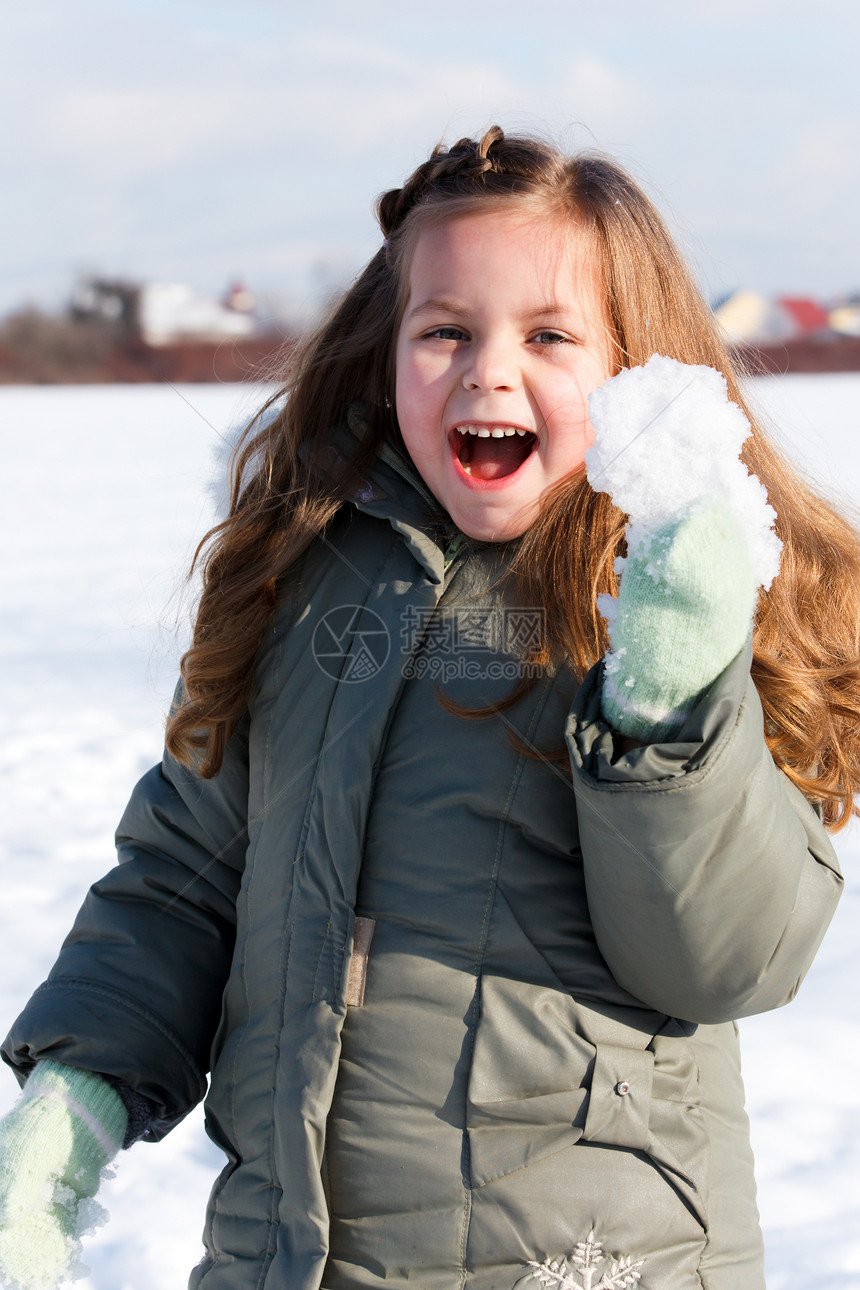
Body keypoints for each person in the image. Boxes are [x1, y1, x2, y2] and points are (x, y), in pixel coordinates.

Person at [1, 126, 859, 1290]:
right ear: (385, 351)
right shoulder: (306, 579)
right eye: (443, 330)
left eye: (548, 336)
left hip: (586, 1262)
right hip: (285, 1257)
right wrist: (76, 1095)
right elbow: (184, 876)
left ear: (638, 371)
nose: (486, 371)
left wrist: (665, 699)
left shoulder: (658, 586)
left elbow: (720, 958)